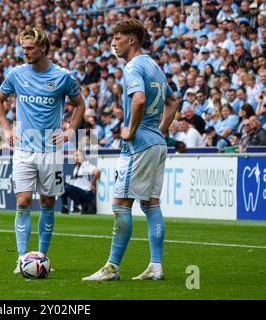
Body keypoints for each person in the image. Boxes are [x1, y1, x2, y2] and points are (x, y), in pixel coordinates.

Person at [83, 19, 178, 281]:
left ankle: (111, 268)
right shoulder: (155, 67)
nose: (113, 43)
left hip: (139, 146)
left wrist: (131, 131)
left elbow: (139, 99)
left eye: (118, 37)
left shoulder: (133, 66)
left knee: (121, 205)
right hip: (157, 143)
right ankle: (155, 266)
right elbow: (172, 101)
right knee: (150, 204)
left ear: (132, 40)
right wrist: (162, 129)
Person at [0, 27, 85, 274]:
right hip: (23, 150)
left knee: (47, 202)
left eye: (30, 47)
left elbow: (79, 105)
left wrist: (69, 131)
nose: (26, 52)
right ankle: (22, 258)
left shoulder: (62, 76)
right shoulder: (16, 74)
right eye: (23, 48)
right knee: (22, 201)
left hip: (50, 152)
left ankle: (42, 257)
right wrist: (7, 129)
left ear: (43, 48)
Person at [61, 150, 100, 214]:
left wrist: (93, 183)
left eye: (79, 155)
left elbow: (97, 171)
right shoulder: (76, 167)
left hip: (86, 193)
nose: (77, 157)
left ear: (83, 157)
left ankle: (78, 207)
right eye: (75, 156)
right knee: (62, 186)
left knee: (69, 188)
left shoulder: (86, 165)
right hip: (77, 192)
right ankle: (65, 207)